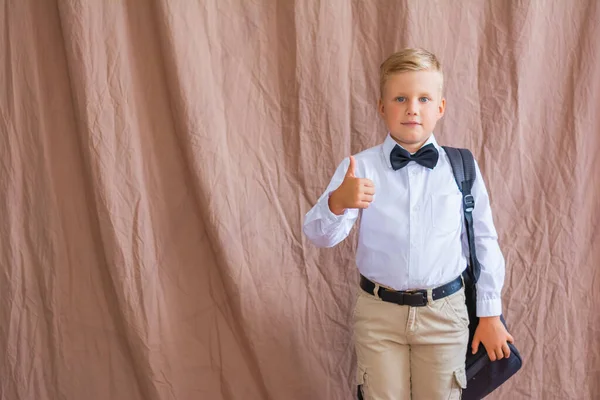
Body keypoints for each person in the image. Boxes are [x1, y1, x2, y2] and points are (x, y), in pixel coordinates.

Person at [302, 48, 515, 400]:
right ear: (382, 106)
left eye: (423, 98)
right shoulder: (360, 167)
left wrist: (490, 313)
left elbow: (483, 241)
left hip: (445, 315)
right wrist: (338, 202)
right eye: (400, 98)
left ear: (440, 107)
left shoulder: (461, 167)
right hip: (378, 315)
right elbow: (319, 236)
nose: (412, 108)